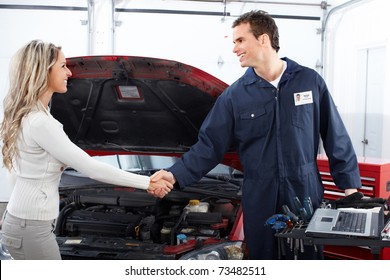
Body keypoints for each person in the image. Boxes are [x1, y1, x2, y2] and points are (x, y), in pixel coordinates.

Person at [151, 10, 362, 260]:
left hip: (304, 189)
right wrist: (174, 174)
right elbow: (209, 146)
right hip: (260, 193)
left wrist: (350, 188)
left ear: (263, 39)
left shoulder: (309, 81)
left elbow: (334, 134)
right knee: (263, 260)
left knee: (307, 257)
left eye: (240, 40)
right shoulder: (236, 95)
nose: (234, 49)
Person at [0, 40, 172, 260]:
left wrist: (12, 215)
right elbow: (90, 167)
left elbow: (15, 172)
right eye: (62, 66)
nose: (69, 72)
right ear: (42, 72)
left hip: (20, 221)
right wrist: (147, 183)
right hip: (32, 228)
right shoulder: (41, 123)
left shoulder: (24, 115)